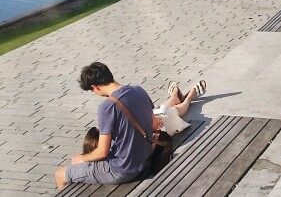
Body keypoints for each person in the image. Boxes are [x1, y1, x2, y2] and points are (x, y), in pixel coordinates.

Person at [55, 62, 205, 189]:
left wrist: (83, 158)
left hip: (122, 170)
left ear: (95, 87)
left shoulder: (106, 108)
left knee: (61, 174)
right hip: (144, 160)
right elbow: (154, 124)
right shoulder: (138, 90)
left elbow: (102, 152)